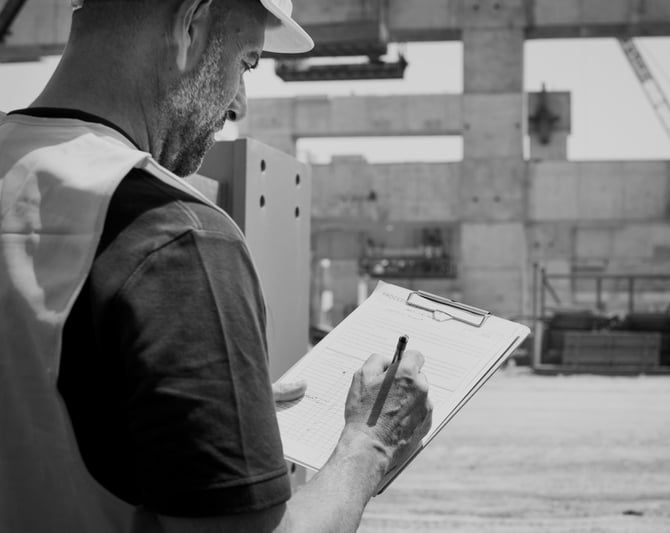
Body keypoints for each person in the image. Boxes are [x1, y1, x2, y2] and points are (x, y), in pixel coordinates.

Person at [0, 1, 432, 532]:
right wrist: (369, 445)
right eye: (247, 62)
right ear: (191, 22)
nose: (239, 105)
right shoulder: (176, 236)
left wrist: (203, 404)